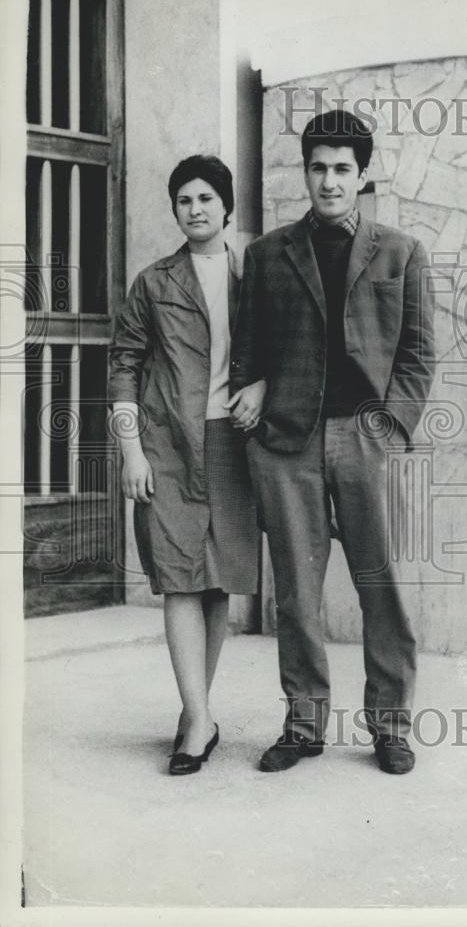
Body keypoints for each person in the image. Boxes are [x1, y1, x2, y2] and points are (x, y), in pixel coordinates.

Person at [229, 109, 435, 774]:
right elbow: (247, 347)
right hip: (287, 442)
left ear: (362, 175)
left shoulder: (400, 252)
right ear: (306, 172)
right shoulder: (267, 255)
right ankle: (304, 723)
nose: (329, 181)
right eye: (318, 168)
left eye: (342, 169)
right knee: (295, 591)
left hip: (364, 438)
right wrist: (253, 394)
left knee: (380, 586)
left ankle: (390, 725)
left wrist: (390, 427)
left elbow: (419, 352)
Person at [108, 155, 260, 774]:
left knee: (217, 574)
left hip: (235, 444)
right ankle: (197, 719)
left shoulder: (256, 277)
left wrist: (264, 389)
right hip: (167, 445)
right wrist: (130, 450)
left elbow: (279, 351)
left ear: (227, 206)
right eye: (183, 201)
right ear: (174, 210)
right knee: (178, 575)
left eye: (205, 199)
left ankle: (197, 710)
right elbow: (122, 365)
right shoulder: (153, 282)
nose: (195, 210)